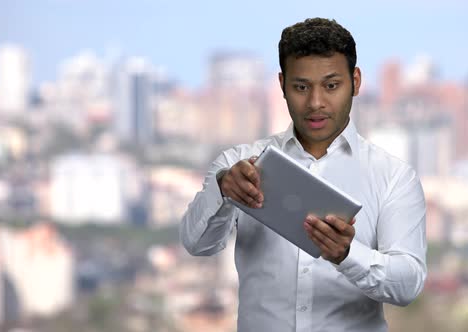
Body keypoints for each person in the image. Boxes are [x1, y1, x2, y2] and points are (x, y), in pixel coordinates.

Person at [180, 17, 427, 332]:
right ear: (282, 85)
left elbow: (408, 285)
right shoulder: (238, 164)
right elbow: (196, 243)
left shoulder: (393, 177)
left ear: (356, 81)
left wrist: (349, 255)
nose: (315, 103)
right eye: (300, 87)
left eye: (331, 85)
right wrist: (223, 192)